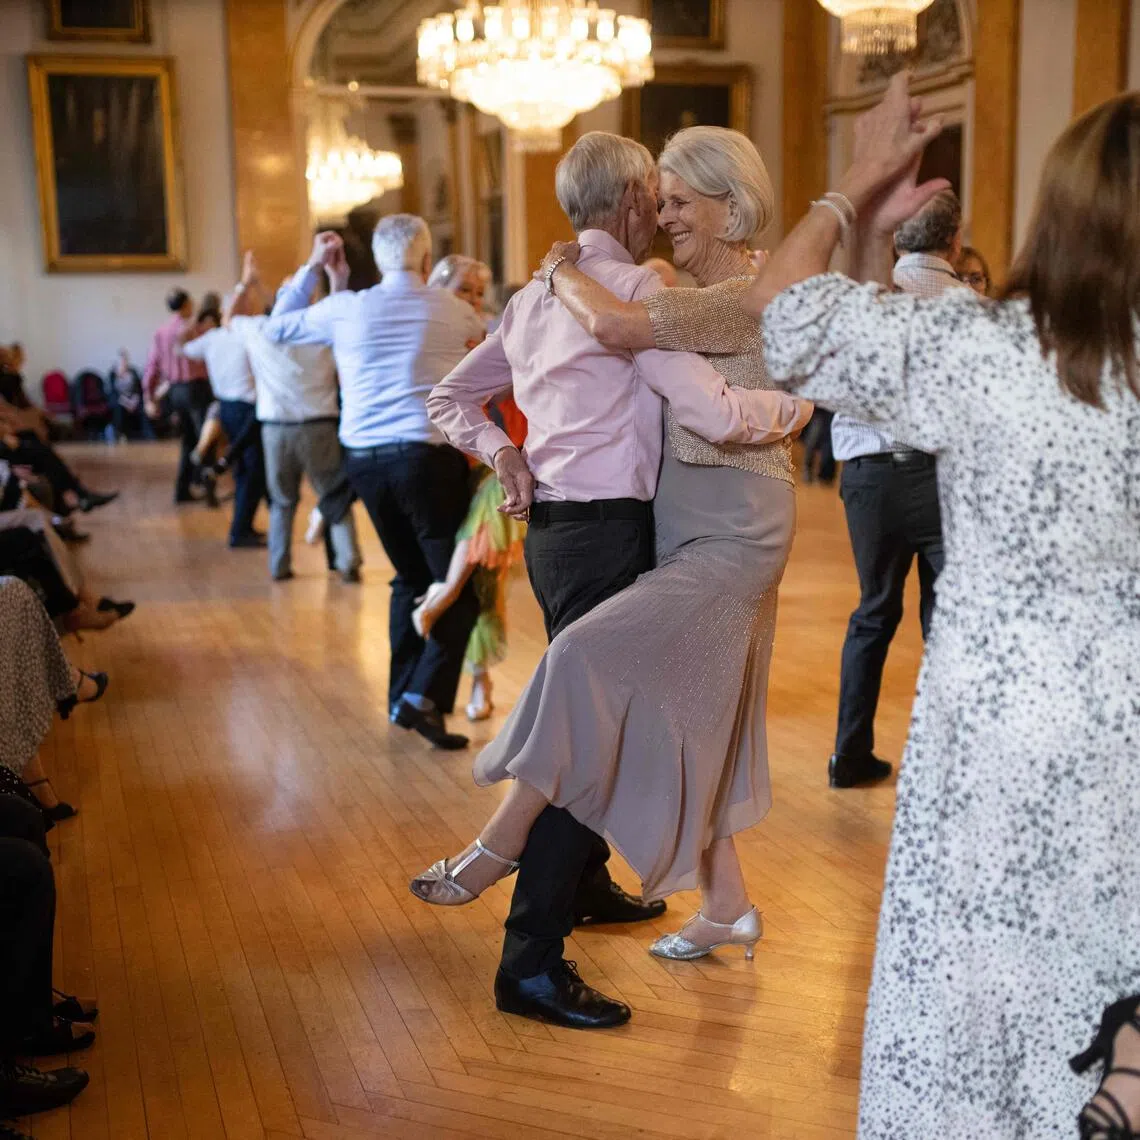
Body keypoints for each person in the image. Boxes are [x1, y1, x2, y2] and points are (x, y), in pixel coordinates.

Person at [746, 73, 1140, 1139]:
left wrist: (853, 191)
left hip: (1005, 745)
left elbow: (784, 315)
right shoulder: (978, 344)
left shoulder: (987, 351)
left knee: (991, 996)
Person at [425, 129, 811, 1030]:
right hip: (618, 533)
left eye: (683, 198)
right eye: (659, 196)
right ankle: (528, 954)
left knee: (615, 703)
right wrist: (790, 410)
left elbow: (447, 396)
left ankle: (590, 884)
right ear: (633, 199)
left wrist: (504, 455)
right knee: (598, 717)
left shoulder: (533, 296)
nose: (665, 212)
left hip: (558, 538)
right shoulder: (644, 288)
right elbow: (709, 406)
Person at [264, 219, 485, 750]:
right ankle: (420, 700)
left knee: (409, 578)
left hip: (363, 463)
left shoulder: (349, 307)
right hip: (426, 461)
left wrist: (315, 269)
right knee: (457, 593)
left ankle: (403, 698)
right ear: (427, 257)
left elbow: (276, 327)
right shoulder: (453, 310)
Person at [822, 187, 969, 790]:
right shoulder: (970, 309)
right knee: (948, 620)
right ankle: (946, 764)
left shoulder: (860, 305)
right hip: (944, 477)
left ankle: (849, 756)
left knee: (873, 614)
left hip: (871, 479)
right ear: (954, 239)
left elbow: (826, 392)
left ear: (896, 236)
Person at [226, 252, 362, 584]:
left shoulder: (259, 329)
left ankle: (279, 565)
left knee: (282, 501)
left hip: (276, 429)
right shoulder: (325, 333)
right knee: (334, 496)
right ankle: (348, 562)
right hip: (320, 425)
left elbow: (228, 318)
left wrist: (246, 281)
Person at [181, 291, 267, 547]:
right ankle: (240, 531)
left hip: (226, 408)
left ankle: (243, 526)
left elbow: (183, 348)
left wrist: (191, 322)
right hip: (248, 409)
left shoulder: (211, 339)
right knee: (252, 471)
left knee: (243, 469)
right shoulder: (249, 337)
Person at [143, 288, 213, 503]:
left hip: (175, 392)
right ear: (186, 305)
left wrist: (149, 396)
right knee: (206, 440)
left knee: (187, 441)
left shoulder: (161, 332)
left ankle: (182, 490)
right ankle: (209, 492)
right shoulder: (195, 330)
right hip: (197, 389)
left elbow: (152, 367)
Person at [107, 348, 148, 440]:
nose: (124, 362)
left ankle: (147, 433)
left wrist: (134, 401)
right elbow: (114, 392)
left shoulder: (133, 371)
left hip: (133, 399)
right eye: (121, 361)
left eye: (125, 360)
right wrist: (127, 403)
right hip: (120, 400)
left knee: (143, 406)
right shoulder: (112, 374)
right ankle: (121, 434)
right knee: (118, 408)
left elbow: (138, 389)